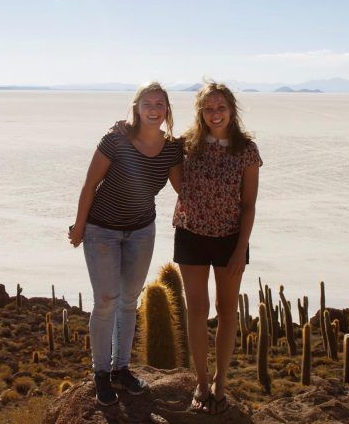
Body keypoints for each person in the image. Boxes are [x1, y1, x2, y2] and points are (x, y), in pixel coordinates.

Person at [68, 82, 183, 406]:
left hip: (141, 232)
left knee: (129, 301)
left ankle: (121, 369)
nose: (154, 108)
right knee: (106, 300)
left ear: (166, 110)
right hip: (101, 230)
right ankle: (100, 373)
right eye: (148, 102)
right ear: (137, 107)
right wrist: (79, 227)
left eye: (160, 103)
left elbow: (183, 189)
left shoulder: (172, 148)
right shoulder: (115, 140)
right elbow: (91, 184)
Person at [174, 82, 261, 414]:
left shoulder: (247, 150)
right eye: (208, 108)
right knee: (196, 310)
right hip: (191, 235)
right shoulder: (185, 146)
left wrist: (241, 249)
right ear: (201, 112)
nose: (215, 114)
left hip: (230, 241)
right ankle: (200, 380)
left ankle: (219, 381)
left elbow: (249, 205)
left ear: (231, 109)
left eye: (220, 107)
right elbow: (173, 175)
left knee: (227, 312)